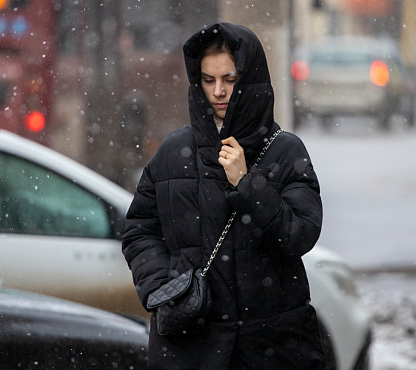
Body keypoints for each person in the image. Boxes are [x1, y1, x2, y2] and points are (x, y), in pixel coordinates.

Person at [122, 22, 327, 369]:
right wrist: (164, 288)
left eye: (230, 80)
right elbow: (139, 230)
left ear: (250, 80)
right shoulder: (174, 151)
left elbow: (301, 234)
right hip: (191, 346)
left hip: (272, 346)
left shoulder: (285, 151)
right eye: (208, 79)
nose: (218, 91)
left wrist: (248, 184)